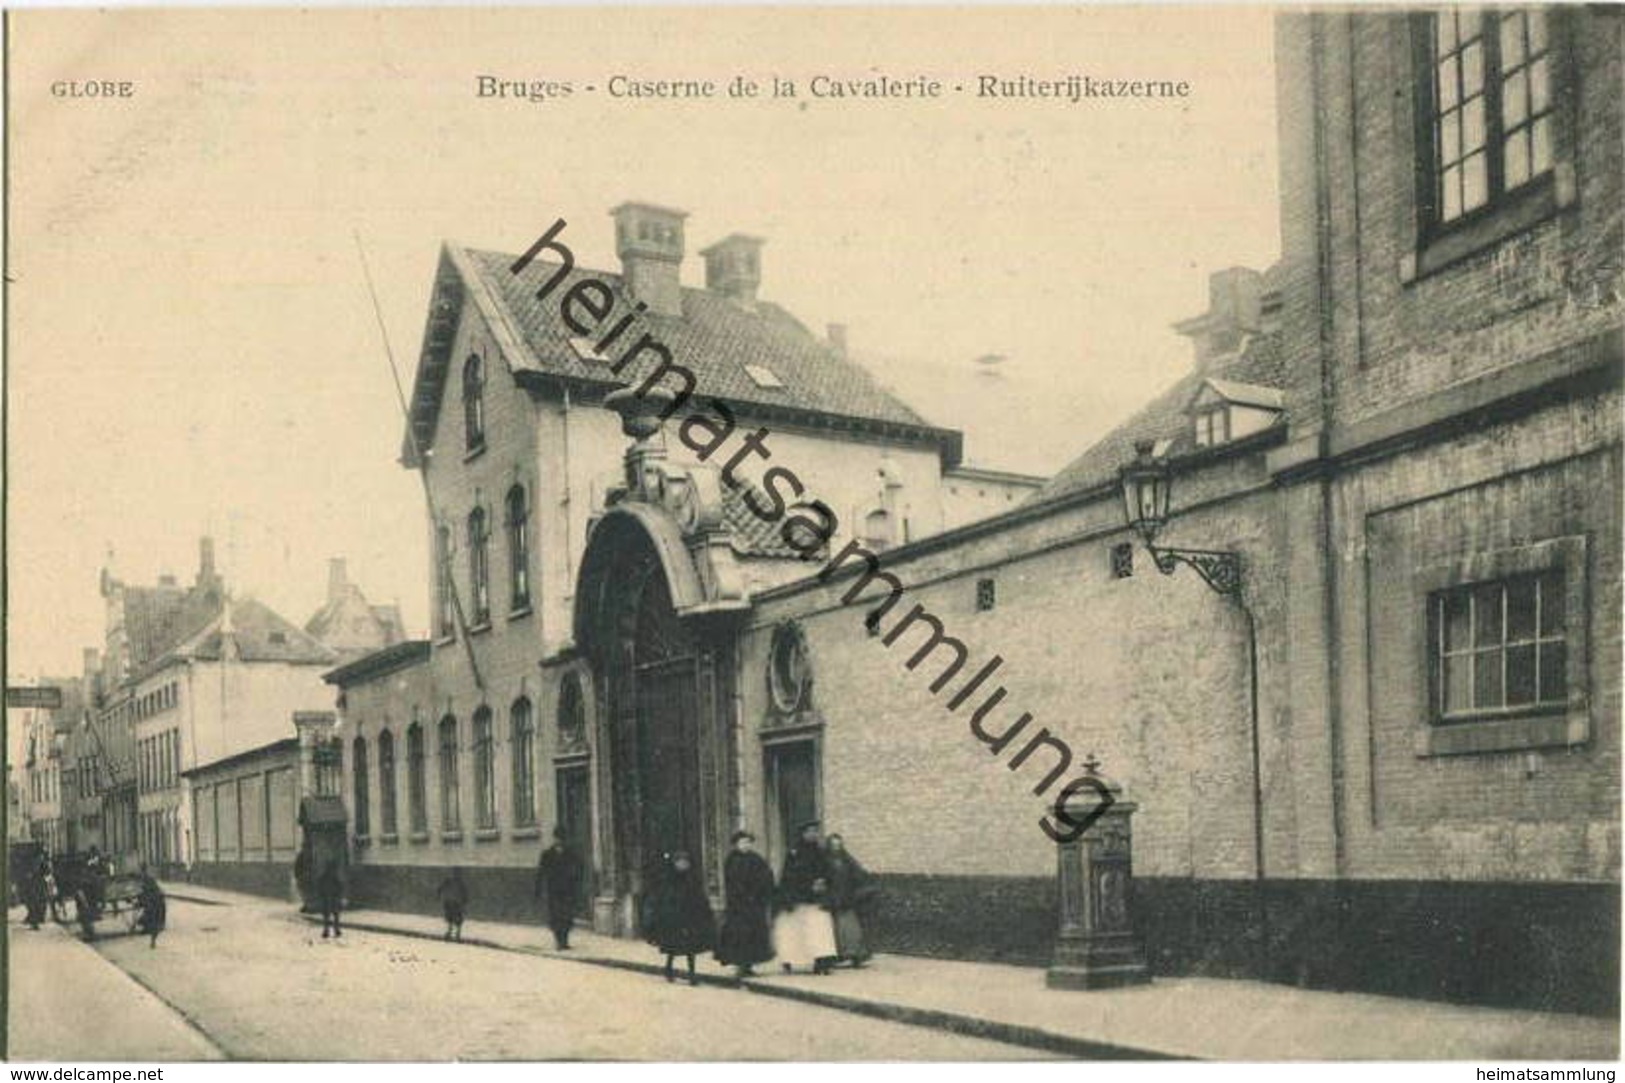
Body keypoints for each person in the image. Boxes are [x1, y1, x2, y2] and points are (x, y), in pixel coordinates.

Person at [772, 820, 838, 975]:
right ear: (803, 834)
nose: (813, 834)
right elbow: (789, 876)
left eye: (815, 831)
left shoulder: (821, 852)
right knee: (795, 930)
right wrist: (806, 886)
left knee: (820, 930)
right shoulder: (794, 852)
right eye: (810, 831)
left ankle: (822, 961)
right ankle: (790, 960)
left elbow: (829, 872)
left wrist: (824, 881)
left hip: (817, 899)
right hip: (799, 898)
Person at [643, 851, 714, 986]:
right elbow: (664, 899)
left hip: (689, 917)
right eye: (680, 862)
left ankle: (692, 975)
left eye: (685, 862)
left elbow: (699, 897)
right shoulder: (668, 879)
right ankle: (669, 968)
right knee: (673, 948)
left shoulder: (692, 878)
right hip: (674, 919)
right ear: (675, 864)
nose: (683, 865)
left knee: (691, 949)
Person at [715, 829, 775, 981]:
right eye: (742, 842)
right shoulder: (732, 860)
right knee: (739, 936)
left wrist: (762, 893)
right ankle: (740, 964)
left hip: (755, 905)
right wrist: (741, 895)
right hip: (739, 906)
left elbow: (767, 875)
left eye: (748, 842)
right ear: (736, 844)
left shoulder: (756, 859)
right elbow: (731, 882)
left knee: (754, 935)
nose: (745, 845)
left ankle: (749, 965)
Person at [824, 833, 878, 968]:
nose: (836, 848)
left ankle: (856, 954)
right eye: (833, 845)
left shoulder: (847, 860)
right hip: (832, 898)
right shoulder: (824, 860)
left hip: (846, 898)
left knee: (851, 927)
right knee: (834, 928)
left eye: (839, 845)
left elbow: (858, 874)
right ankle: (837, 955)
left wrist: (859, 888)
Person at [535, 828, 583, 950]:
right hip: (554, 891)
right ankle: (558, 941)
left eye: (562, 838)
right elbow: (541, 873)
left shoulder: (571, 854)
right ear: (554, 839)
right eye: (557, 838)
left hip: (567, 891)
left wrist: (576, 886)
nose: (559, 841)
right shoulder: (547, 854)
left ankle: (565, 940)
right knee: (555, 916)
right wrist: (538, 890)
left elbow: (577, 870)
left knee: (567, 916)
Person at [135, 865, 166, 949]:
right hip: (156, 901)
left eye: (141, 871)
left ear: (142, 870)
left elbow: (145, 892)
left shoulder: (146, 879)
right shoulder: (147, 878)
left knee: (153, 920)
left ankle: (152, 939)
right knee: (153, 920)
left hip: (155, 902)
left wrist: (140, 902)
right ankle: (152, 938)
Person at [437, 867, 469, 942]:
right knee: (454, 919)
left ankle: (453, 933)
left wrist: (440, 896)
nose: (455, 874)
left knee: (453, 918)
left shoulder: (452, 881)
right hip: (453, 902)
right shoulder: (455, 882)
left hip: (452, 902)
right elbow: (440, 889)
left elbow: (440, 889)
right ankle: (454, 934)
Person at [315, 859, 344, 939]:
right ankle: (335, 930)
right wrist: (339, 896)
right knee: (335, 915)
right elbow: (340, 887)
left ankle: (327, 930)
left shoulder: (323, 877)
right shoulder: (335, 877)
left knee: (327, 916)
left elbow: (319, 887)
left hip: (327, 898)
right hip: (333, 898)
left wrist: (321, 896)